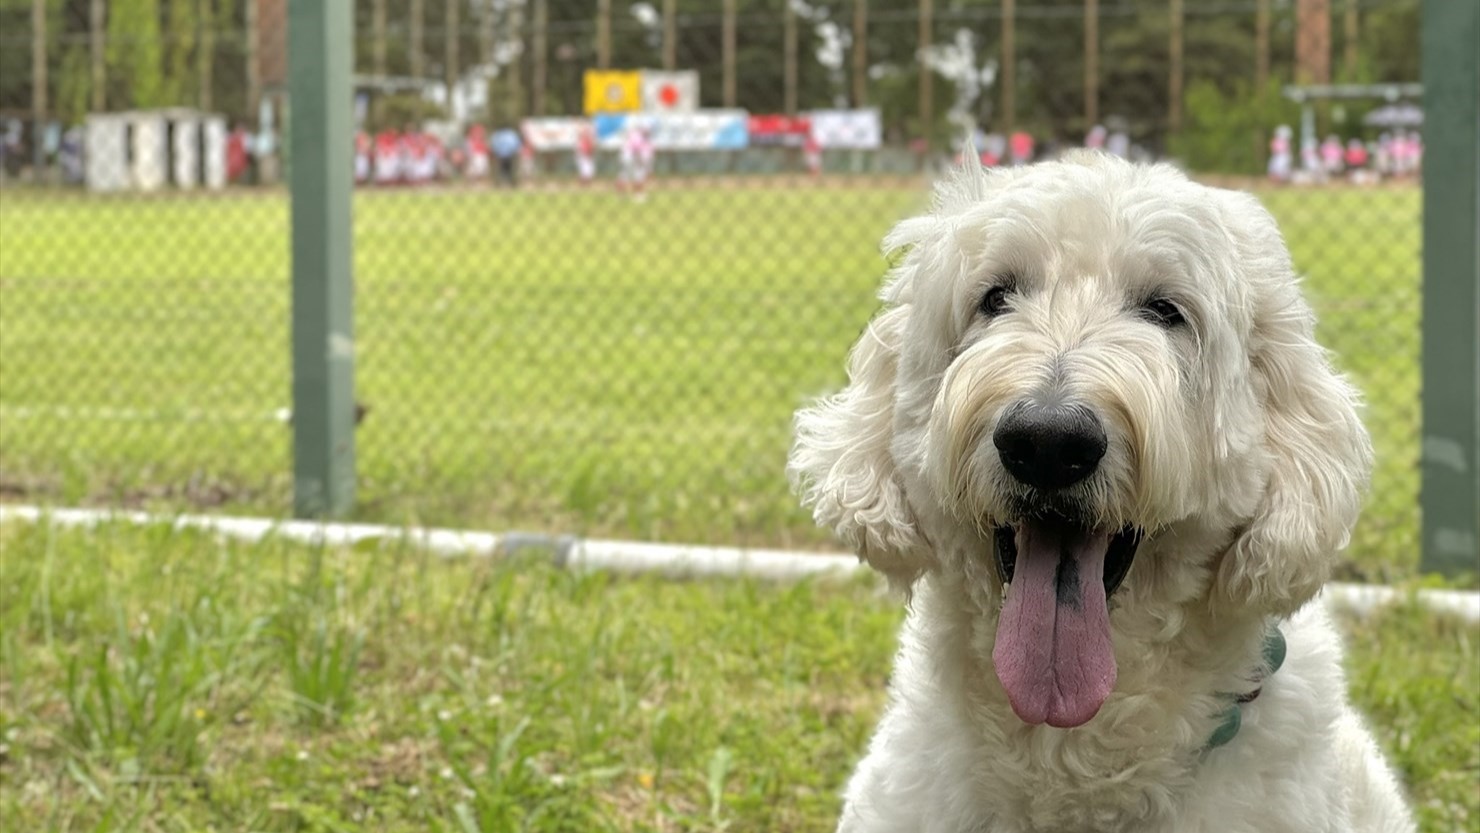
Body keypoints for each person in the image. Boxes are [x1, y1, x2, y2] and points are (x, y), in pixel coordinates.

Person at [619, 123, 654, 201]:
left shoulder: (634, 135)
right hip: (631, 157)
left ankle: (621, 195)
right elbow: (636, 150)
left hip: (627, 157)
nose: (648, 133)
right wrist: (639, 160)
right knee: (637, 175)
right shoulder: (638, 136)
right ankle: (638, 195)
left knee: (625, 175)